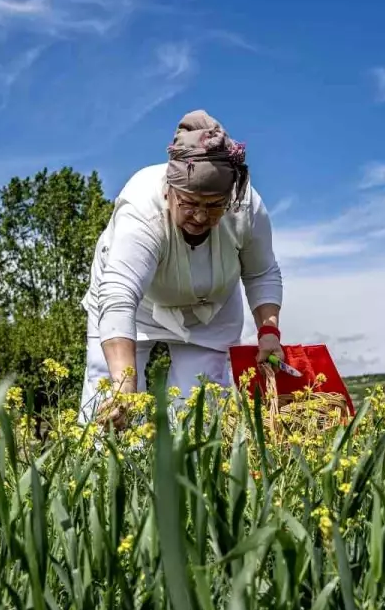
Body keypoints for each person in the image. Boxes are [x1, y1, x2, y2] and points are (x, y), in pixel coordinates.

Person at [78, 109, 285, 426]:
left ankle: (191, 472)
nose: (201, 217)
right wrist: (123, 387)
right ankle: (106, 468)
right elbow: (119, 296)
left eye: (214, 205)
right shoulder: (140, 210)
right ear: (168, 191)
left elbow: (261, 272)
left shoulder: (246, 207)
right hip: (135, 306)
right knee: (110, 395)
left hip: (210, 308)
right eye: (190, 203)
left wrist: (268, 332)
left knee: (202, 408)